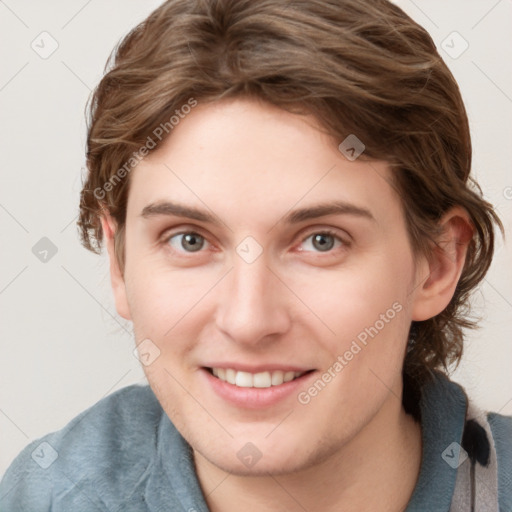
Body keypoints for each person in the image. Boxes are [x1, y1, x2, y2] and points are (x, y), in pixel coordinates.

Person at [1, 0, 510, 510]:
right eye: (190, 240)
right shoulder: (47, 495)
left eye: (321, 241)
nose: (248, 322)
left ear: (437, 264)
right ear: (119, 261)